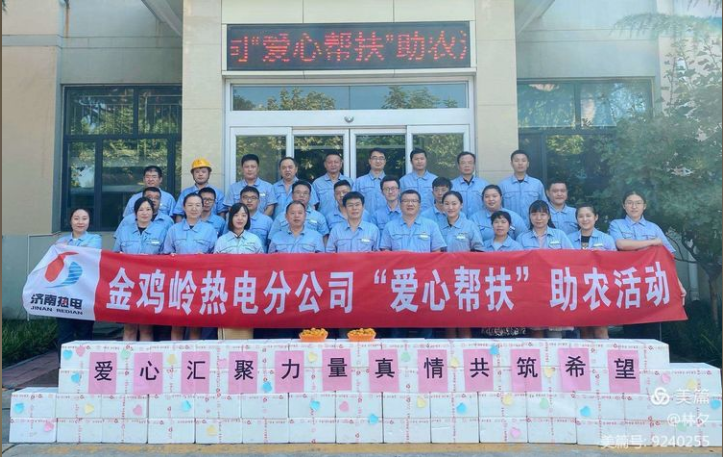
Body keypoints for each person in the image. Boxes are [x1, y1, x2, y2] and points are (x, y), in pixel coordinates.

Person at [608, 191, 686, 340]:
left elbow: (667, 259)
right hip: (629, 284)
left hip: (652, 284)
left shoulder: (654, 228)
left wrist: (678, 284)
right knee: (631, 331)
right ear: (624, 206)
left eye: (638, 203)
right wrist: (652, 242)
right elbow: (621, 244)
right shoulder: (616, 224)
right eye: (630, 202)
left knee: (653, 331)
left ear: (644, 206)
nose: (634, 206)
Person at [380, 189, 446, 339]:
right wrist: (402, 256)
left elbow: (437, 253)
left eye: (414, 201)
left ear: (419, 205)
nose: (410, 204)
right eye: (406, 201)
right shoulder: (390, 226)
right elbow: (384, 252)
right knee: (398, 325)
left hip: (424, 281)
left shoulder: (431, 225)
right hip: (399, 282)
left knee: (426, 324)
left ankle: (426, 351)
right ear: (400, 204)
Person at [163, 193, 218, 341]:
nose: (194, 208)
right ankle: (174, 355)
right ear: (184, 207)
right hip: (177, 283)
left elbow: (216, 256)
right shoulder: (173, 230)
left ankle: (193, 354)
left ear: (202, 207)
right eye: (190, 205)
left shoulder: (209, 230)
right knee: (176, 325)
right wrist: (171, 257)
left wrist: (205, 257)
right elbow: (165, 254)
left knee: (195, 325)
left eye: (197, 205)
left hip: (199, 283)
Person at [114, 197, 168, 342]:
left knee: (146, 327)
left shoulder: (161, 231)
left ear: (153, 212)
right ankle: (127, 357)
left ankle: (145, 356)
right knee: (129, 327)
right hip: (128, 283)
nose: (145, 213)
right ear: (135, 213)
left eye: (148, 209)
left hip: (149, 284)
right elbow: (115, 256)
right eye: (141, 210)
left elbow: (166, 257)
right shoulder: (124, 231)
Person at [517, 200, 574, 338]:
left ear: (549, 216)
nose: (538, 218)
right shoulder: (522, 238)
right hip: (532, 290)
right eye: (534, 214)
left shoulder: (559, 235)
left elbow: (572, 259)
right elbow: (517, 263)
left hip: (555, 289)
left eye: (542, 214)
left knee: (556, 333)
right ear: (529, 216)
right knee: (536, 331)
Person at [54, 208, 102, 357]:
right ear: (70, 221)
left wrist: (67, 250)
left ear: (89, 221)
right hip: (65, 293)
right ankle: (64, 365)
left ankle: (83, 365)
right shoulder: (60, 241)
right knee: (64, 333)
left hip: (85, 293)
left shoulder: (95, 239)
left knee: (84, 332)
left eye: (84, 218)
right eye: (76, 218)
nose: (80, 222)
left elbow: (87, 256)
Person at [214, 203, 263, 340]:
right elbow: (215, 265)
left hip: (249, 289)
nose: (240, 218)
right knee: (228, 321)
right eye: (236, 215)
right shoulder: (222, 240)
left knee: (247, 322)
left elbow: (262, 265)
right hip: (227, 290)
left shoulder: (254, 240)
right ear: (230, 218)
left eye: (244, 215)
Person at [439, 191, 484, 339]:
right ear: (442, 206)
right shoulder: (436, 225)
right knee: (448, 317)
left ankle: (467, 350)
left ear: (461, 205)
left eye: (454, 203)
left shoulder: (469, 226)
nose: (450, 207)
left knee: (464, 318)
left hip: (465, 277)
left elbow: (479, 250)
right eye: (447, 204)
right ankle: (450, 351)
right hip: (443, 278)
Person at [570, 203, 616, 339]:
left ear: (595, 217)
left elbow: (615, 264)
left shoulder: (606, 239)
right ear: (577, 219)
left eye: (588, 216)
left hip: (601, 289)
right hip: (579, 289)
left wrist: (602, 257)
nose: (585, 219)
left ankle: (605, 353)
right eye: (581, 216)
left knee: (601, 328)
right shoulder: (569, 239)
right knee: (584, 330)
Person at [480, 211, 526, 338]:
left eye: (503, 222)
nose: (499, 225)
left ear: (509, 225)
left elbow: (520, 271)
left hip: (509, 292)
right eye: (496, 222)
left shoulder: (516, 247)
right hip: (489, 292)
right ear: (491, 225)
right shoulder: (484, 246)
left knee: (511, 333)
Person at [498, 150, 546, 223]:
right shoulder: (503, 185)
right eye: (516, 160)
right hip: (511, 226)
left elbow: (544, 206)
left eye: (523, 160)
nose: (520, 163)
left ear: (528, 164)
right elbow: (499, 208)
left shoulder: (537, 184)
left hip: (533, 225)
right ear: (511, 164)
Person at [451, 151, 489, 217]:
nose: (467, 165)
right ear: (458, 166)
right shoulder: (451, 185)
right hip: (458, 221)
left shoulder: (484, 184)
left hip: (479, 221)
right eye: (463, 163)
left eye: (470, 163)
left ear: (474, 165)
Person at [352, 148, 387, 213]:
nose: (378, 161)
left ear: (385, 161)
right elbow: (353, 202)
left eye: (381, 158)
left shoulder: (391, 182)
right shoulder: (359, 182)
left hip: (386, 218)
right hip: (365, 218)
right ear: (370, 161)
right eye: (374, 158)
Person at [241, 186, 274, 251]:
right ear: (240, 200)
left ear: (259, 201)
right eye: (245, 197)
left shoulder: (267, 221)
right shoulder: (233, 220)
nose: (249, 200)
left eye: (253, 198)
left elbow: (271, 245)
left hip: (261, 256)